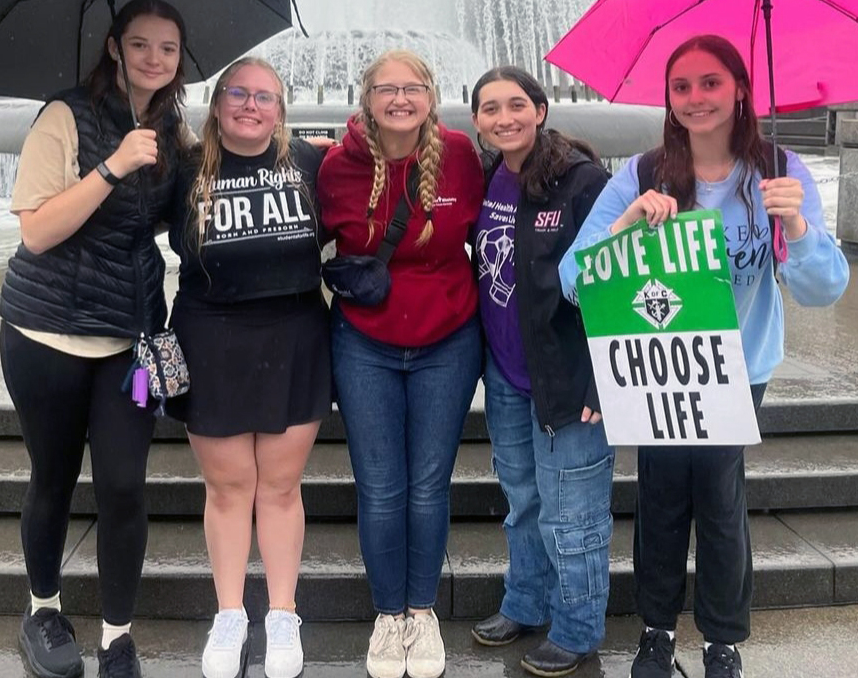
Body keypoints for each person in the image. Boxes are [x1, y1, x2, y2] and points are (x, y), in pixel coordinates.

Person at [558, 34, 850, 678]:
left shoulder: (779, 172)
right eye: (682, 86)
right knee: (661, 497)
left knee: (719, 496)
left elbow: (823, 288)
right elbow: (573, 279)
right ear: (667, 98)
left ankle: (722, 638)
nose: (696, 99)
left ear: (741, 88)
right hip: (659, 368)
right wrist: (625, 225)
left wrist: (796, 229)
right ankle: (657, 630)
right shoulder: (639, 173)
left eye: (711, 83)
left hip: (740, 368)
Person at [0, 0, 189, 678]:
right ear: (115, 47)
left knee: (123, 485)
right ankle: (42, 608)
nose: (154, 60)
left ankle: (117, 635)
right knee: (51, 477)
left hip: (130, 343)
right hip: (43, 335)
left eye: (168, 49)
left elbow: (184, 213)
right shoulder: (63, 115)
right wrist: (111, 165)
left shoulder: (169, 128)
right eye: (141, 45)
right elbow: (38, 230)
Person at [317, 49, 484, 678]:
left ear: (430, 95)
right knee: (381, 488)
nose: (400, 99)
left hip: (448, 340)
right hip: (365, 342)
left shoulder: (462, 157)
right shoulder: (337, 165)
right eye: (387, 89)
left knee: (427, 487)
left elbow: (509, 212)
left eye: (412, 88)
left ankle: (424, 610)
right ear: (367, 98)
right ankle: (390, 617)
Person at [167, 57, 331, 678]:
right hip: (211, 337)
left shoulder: (311, 164)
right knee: (230, 488)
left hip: (296, 336)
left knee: (281, 488)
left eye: (265, 96)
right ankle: (230, 613)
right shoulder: (182, 169)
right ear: (216, 104)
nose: (250, 105)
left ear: (280, 109)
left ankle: (283, 614)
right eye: (238, 92)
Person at [469, 66, 614, 677]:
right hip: (506, 376)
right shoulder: (488, 176)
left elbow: (614, 277)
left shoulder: (581, 181)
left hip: (567, 378)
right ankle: (525, 602)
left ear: (541, 109)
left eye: (516, 104)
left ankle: (578, 627)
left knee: (572, 512)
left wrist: (601, 378)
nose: (505, 117)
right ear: (475, 120)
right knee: (523, 500)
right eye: (490, 108)